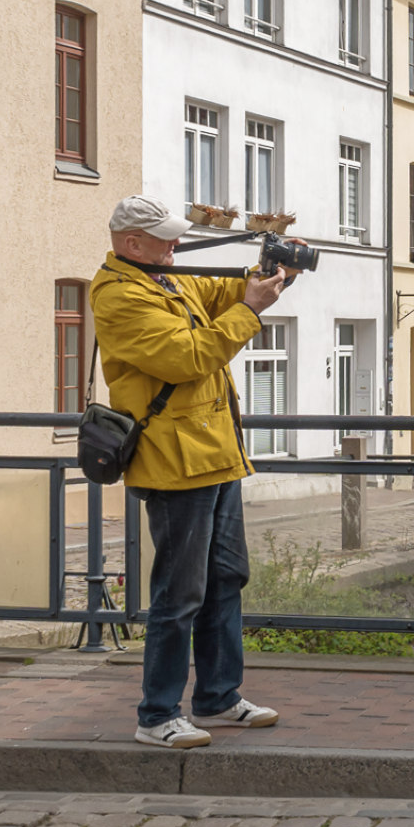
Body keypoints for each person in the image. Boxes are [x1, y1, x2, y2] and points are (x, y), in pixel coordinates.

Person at [91, 195, 296, 749]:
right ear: (132, 244)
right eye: (166, 238)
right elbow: (187, 357)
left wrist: (276, 271)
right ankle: (157, 714)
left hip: (213, 451)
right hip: (173, 460)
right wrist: (250, 310)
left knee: (226, 578)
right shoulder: (119, 296)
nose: (176, 245)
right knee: (179, 593)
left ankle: (218, 697)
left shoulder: (166, 278)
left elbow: (226, 292)